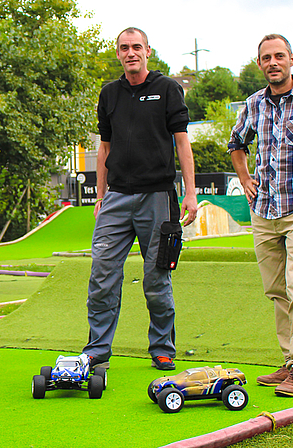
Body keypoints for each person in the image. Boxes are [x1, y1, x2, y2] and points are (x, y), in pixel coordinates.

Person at [83, 27, 198, 371]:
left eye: (136, 47)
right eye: (124, 48)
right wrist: (100, 195)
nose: (130, 52)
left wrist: (190, 192)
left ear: (148, 51)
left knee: (156, 278)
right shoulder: (109, 94)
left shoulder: (167, 89)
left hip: (158, 197)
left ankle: (162, 347)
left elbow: (182, 142)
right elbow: (104, 148)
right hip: (116, 197)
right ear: (117, 54)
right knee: (102, 275)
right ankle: (97, 349)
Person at [229, 34, 293, 397]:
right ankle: (291, 360)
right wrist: (244, 178)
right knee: (277, 290)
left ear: (292, 58)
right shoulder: (254, 103)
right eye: (266, 58)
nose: (273, 62)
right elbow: (236, 142)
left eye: (279, 56)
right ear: (259, 64)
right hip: (264, 211)